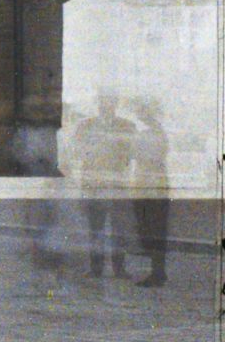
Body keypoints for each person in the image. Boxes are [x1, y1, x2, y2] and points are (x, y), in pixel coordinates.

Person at [67, 94, 135, 279]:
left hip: (116, 187)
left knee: (119, 230)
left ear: (116, 103)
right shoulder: (84, 126)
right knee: (95, 229)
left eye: (110, 101)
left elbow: (130, 156)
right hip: (94, 187)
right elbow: (77, 153)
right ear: (98, 103)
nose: (106, 105)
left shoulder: (128, 126)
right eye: (103, 101)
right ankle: (95, 269)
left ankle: (119, 269)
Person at [127, 100, 171, 287]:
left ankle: (157, 272)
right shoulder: (154, 132)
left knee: (153, 230)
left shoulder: (151, 134)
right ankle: (158, 271)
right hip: (148, 185)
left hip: (150, 187)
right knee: (151, 229)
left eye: (141, 111)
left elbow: (137, 155)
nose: (139, 114)